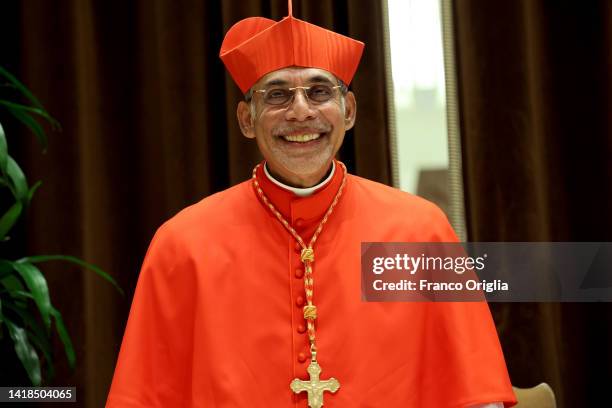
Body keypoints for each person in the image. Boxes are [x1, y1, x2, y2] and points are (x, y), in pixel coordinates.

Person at [106, 2, 516, 407]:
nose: (301, 111)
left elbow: (476, 397)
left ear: (348, 111)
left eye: (319, 91)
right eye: (278, 95)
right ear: (247, 120)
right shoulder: (181, 245)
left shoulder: (422, 231)